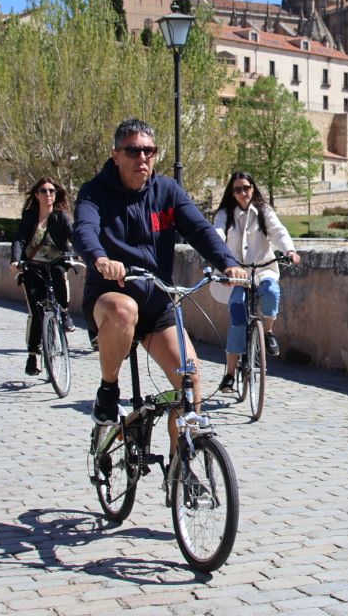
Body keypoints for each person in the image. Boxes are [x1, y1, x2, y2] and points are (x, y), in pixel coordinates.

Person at [75, 119, 242, 426]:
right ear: (116, 155)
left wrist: (228, 262)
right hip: (112, 296)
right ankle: (108, 389)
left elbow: (199, 229)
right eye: (134, 151)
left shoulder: (167, 191)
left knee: (189, 382)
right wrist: (99, 258)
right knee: (124, 311)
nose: (143, 158)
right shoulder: (94, 192)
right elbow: (84, 228)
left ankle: (183, 468)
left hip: (157, 305)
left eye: (149, 151)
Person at [209, 172, 299, 397]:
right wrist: (219, 258)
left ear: (253, 188)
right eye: (237, 189)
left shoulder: (263, 211)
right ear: (232, 193)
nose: (243, 193)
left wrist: (289, 250)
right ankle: (230, 374)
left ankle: (268, 332)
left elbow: (278, 231)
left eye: (246, 188)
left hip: (263, 269)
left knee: (270, 291)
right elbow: (216, 235)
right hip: (236, 273)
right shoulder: (224, 214)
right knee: (237, 313)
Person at [11, 178, 75, 377]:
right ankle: (33, 354)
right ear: (36, 194)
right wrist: (15, 260)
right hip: (33, 266)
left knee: (58, 274)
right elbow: (20, 239)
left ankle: (64, 312)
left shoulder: (61, 217)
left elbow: (76, 237)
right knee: (37, 313)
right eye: (44, 191)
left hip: (55, 263)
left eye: (52, 191)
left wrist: (85, 254)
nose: (48, 194)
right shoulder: (29, 216)